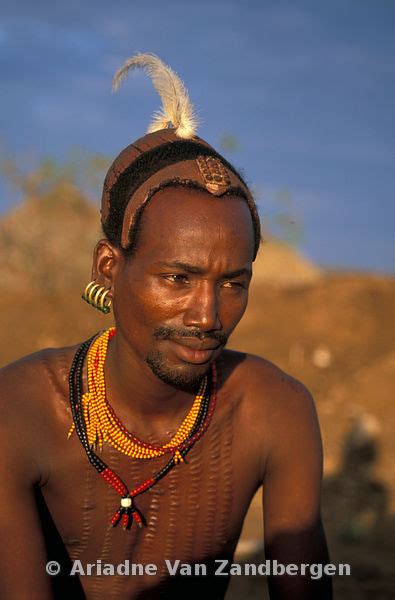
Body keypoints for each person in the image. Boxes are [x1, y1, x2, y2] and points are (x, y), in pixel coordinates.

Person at [0, 54, 332, 600]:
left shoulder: (274, 411)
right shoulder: (21, 412)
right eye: (179, 278)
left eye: (233, 283)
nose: (208, 317)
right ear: (109, 266)